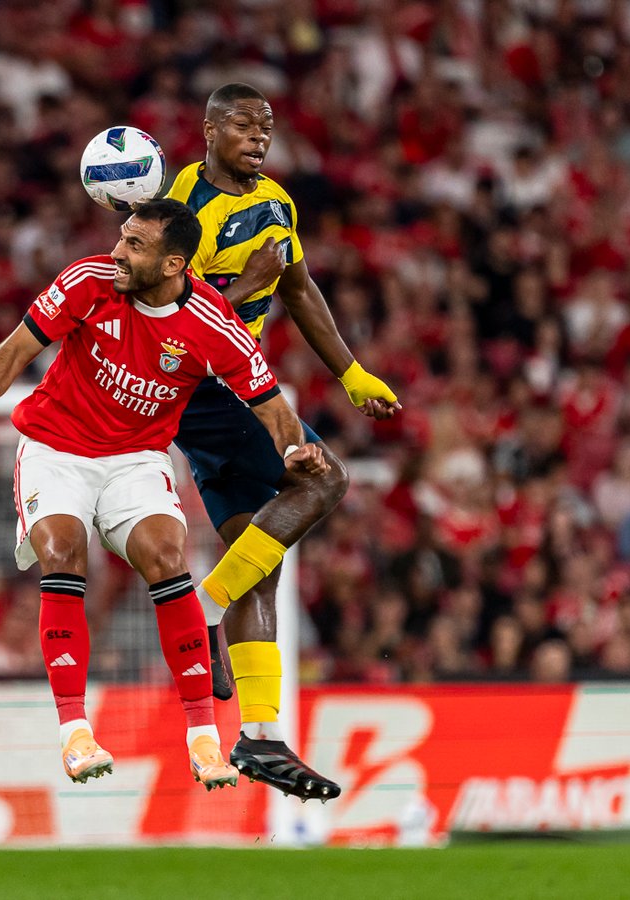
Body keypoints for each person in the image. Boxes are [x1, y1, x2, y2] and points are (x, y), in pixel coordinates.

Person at [0, 199, 328, 790]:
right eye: (122, 237)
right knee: (64, 551)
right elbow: (18, 347)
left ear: (175, 263)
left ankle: (204, 738)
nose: (119, 252)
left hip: (136, 460)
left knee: (168, 559)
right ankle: (75, 731)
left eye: (136, 245)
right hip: (55, 447)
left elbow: (271, 404)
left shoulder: (212, 323)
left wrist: (293, 447)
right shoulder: (88, 282)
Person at [163, 82, 398, 800]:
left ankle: (260, 738)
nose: (259, 136)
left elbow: (298, 289)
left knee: (257, 560)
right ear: (207, 129)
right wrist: (243, 288)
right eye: (242, 123)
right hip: (205, 388)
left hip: (233, 388)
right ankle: (203, 614)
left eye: (267, 125)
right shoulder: (182, 211)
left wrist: (352, 371)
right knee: (323, 480)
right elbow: (167, 328)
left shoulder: (278, 201)